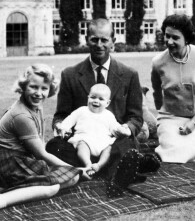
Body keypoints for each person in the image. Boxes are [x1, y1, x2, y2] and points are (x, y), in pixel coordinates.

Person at [46, 18, 160, 196]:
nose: (99, 45)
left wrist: (126, 129)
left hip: (113, 143)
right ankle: (121, 168)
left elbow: (136, 118)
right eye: (94, 39)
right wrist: (60, 127)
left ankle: (110, 172)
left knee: (128, 143)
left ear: (113, 42)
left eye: (104, 40)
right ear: (86, 40)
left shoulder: (129, 75)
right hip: (81, 144)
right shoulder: (70, 75)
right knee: (53, 146)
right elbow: (61, 115)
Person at [0, 64, 88, 209]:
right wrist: (77, 168)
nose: (39, 93)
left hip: (19, 159)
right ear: (23, 86)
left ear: (50, 90)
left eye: (44, 88)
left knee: (71, 177)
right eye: (33, 87)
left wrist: (74, 171)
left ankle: (24, 189)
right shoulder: (21, 115)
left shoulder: (36, 106)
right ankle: (5, 199)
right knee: (52, 188)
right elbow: (42, 154)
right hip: (7, 163)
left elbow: (40, 143)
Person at [151, 14, 195, 163]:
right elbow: (157, 93)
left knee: (190, 147)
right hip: (170, 117)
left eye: (175, 38)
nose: (169, 41)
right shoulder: (157, 62)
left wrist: (194, 122)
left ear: (186, 38)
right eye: (167, 36)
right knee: (173, 145)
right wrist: (164, 119)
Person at [56, 83, 131, 176]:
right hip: (85, 139)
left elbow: (115, 127)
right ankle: (88, 164)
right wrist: (63, 127)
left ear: (107, 103)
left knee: (108, 149)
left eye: (101, 99)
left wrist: (122, 129)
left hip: (102, 142)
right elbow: (70, 119)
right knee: (82, 145)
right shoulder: (82, 110)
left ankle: (99, 165)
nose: (96, 101)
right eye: (93, 97)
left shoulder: (108, 115)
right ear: (88, 98)